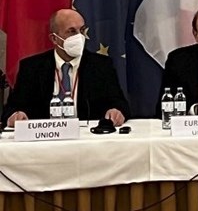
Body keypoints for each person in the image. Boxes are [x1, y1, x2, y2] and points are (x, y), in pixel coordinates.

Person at [2, 9, 130, 127]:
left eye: (82, 30)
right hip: (45, 138)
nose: (79, 37)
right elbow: (11, 109)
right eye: (72, 31)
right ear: (54, 39)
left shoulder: (101, 65)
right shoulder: (31, 67)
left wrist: (116, 111)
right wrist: (16, 115)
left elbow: (120, 104)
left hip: (87, 137)